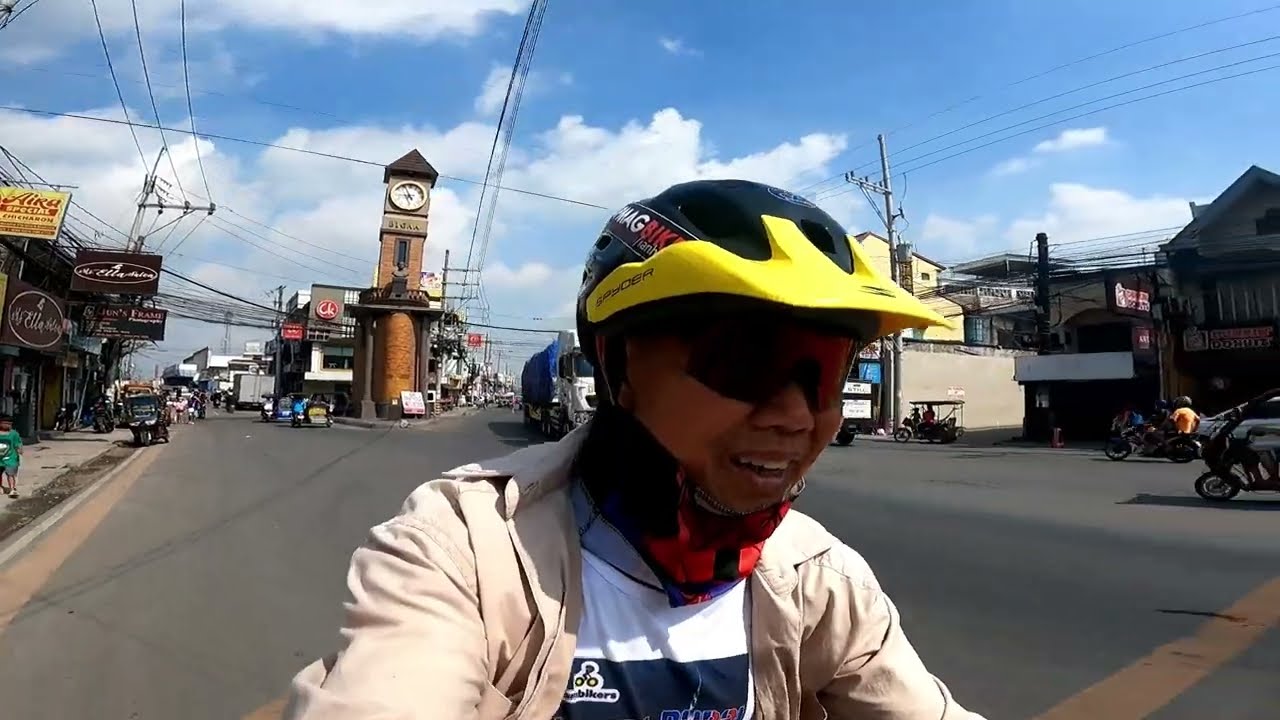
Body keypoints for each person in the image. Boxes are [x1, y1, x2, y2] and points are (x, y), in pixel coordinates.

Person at [283, 179, 985, 719]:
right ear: (618, 365)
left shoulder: (819, 579)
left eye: (827, 375)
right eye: (745, 364)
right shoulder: (464, 550)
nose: (799, 417)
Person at [0, 414, 21, 498]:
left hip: (11, 458)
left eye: (9, 424)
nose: (8, 425)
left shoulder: (14, 434)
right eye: (5, 423)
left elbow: (17, 445)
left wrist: (19, 452)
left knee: (11, 474)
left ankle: (12, 489)